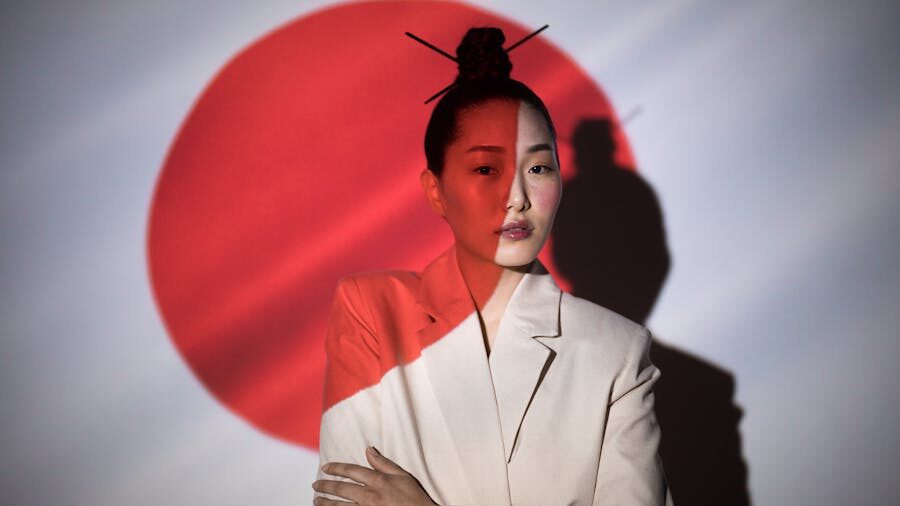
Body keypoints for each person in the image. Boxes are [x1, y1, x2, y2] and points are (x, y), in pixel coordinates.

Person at [311, 26, 672, 506]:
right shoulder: (371, 312)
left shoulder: (617, 352)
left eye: (538, 168)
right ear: (436, 190)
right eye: (486, 170)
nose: (517, 198)